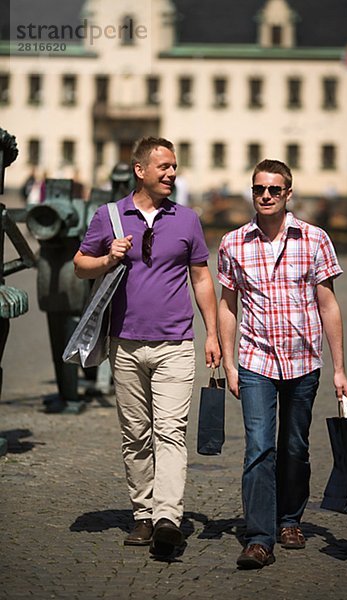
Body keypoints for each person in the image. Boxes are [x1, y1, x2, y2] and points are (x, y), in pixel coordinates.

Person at [73, 137, 221, 557]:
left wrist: (211, 332)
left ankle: (167, 518)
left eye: (174, 166)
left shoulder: (188, 219)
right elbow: (80, 264)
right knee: (135, 435)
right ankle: (142, 514)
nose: (172, 173)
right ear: (140, 170)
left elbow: (201, 278)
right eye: (164, 167)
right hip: (125, 343)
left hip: (175, 343)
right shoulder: (109, 217)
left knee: (171, 432)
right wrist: (107, 260)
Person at [217, 159, 347, 570]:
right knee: (259, 448)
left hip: (303, 360)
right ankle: (259, 538)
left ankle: (290, 519)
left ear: (288, 193)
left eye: (275, 189)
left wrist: (340, 369)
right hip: (255, 360)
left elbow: (328, 305)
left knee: (295, 447)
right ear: (252, 192)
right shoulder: (233, 243)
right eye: (259, 189)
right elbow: (227, 306)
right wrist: (229, 362)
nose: (267, 196)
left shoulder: (314, 239)